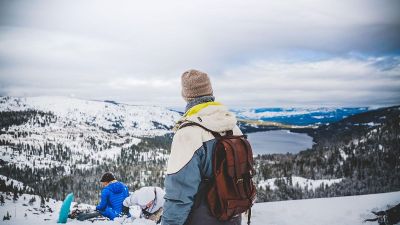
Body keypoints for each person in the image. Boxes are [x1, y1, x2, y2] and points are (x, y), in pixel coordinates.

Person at [162, 69, 243, 225]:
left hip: (201, 218)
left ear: (185, 96)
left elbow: (179, 194)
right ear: (211, 92)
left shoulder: (188, 133)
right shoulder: (233, 128)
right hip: (232, 215)